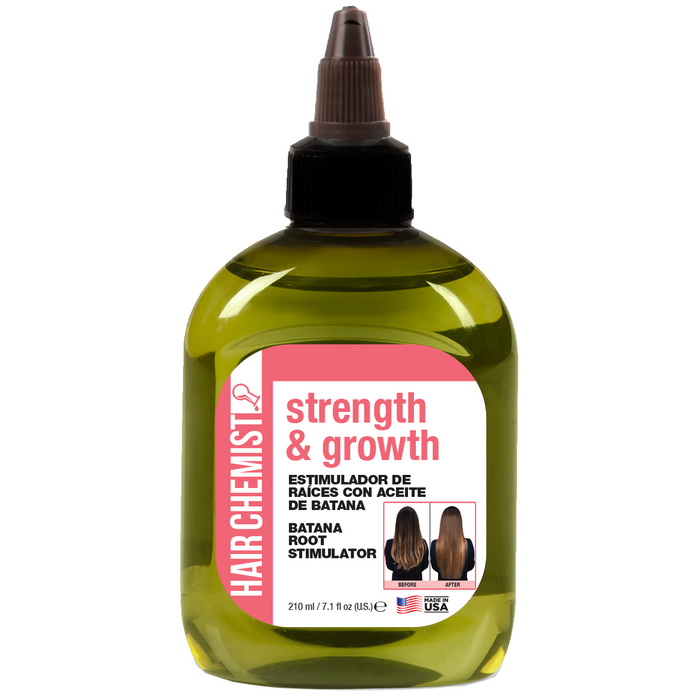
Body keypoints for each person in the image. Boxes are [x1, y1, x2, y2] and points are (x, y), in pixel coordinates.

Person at [430, 506, 475, 580]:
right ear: (459, 523)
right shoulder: (468, 544)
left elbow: (435, 566)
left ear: (443, 523)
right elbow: (470, 566)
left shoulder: (435, 545)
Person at [384, 506, 429, 581]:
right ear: (416, 524)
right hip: (416, 583)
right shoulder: (422, 544)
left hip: (397, 583)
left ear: (398, 524)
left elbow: (390, 566)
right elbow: (424, 565)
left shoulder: (390, 544)